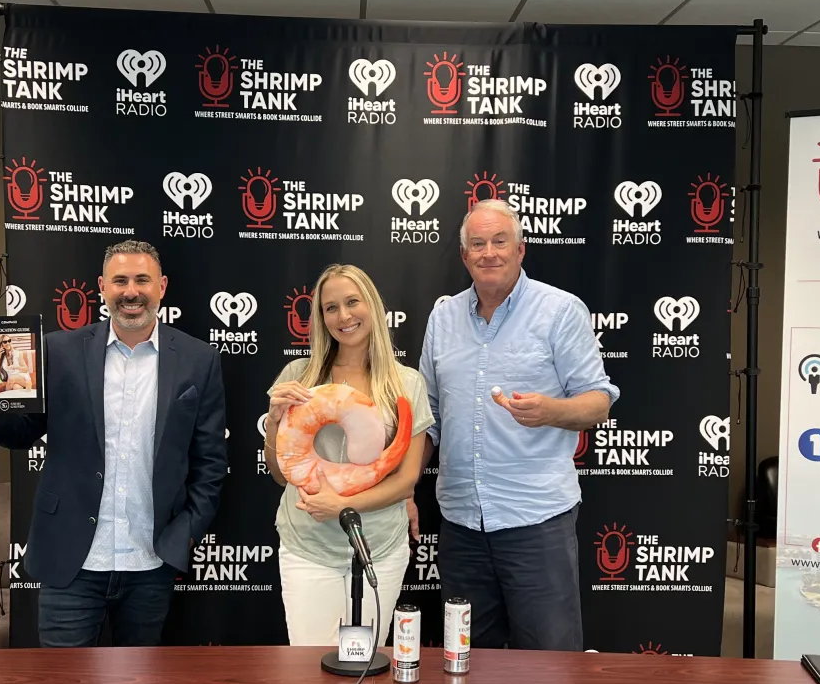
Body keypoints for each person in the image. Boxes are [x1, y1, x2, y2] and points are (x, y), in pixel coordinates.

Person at [0, 239, 227, 647]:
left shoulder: (198, 359)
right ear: (102, 288)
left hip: (151, 561)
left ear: (162, 286)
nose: (131, 291)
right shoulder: (56, 350)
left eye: (142, 279)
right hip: (70, 558)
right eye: (119, 280)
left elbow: (210, 460)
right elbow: (21, 433)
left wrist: (187, 533)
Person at [419, 199, 617, 652]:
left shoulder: (560, 311)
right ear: (464, 256)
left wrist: (550, 411)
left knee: (548, 671)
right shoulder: (443, 318)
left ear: (521, 249)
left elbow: (598, 401)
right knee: (465, 665)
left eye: (499, 241)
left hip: (536, 523)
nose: (489, 252)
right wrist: (404, 490)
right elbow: (427, 417)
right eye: (477, 244)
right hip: (461, 526)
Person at [264, 264, 432, 647]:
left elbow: (405, 480)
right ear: (321, 319)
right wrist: (275, 421)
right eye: (330, 308)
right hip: (308, 547)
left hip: (379, 549)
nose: (343, 316)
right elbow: (278, 473)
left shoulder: (406, 384)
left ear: (372, 305)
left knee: (364, 670)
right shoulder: (299, 377)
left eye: (352, 302)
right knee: (309, 669)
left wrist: (340, 504)